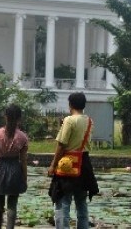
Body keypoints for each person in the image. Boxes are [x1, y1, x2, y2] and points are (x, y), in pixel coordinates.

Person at [47, 92, 99, 229]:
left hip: (67, 165)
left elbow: (62, 145)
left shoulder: (69, 120)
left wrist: (53, 165)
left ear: (70, 104)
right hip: (84, 164)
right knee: (81, 203)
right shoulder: (89, 121)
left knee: (63, 202)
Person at [0, 104, 28, 229]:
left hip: (0, 169)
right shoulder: (22, 137)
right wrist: (24, 177)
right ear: (19, 119)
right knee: (12, 204)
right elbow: (23, 161)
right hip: (15, 169)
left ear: (5, 117)